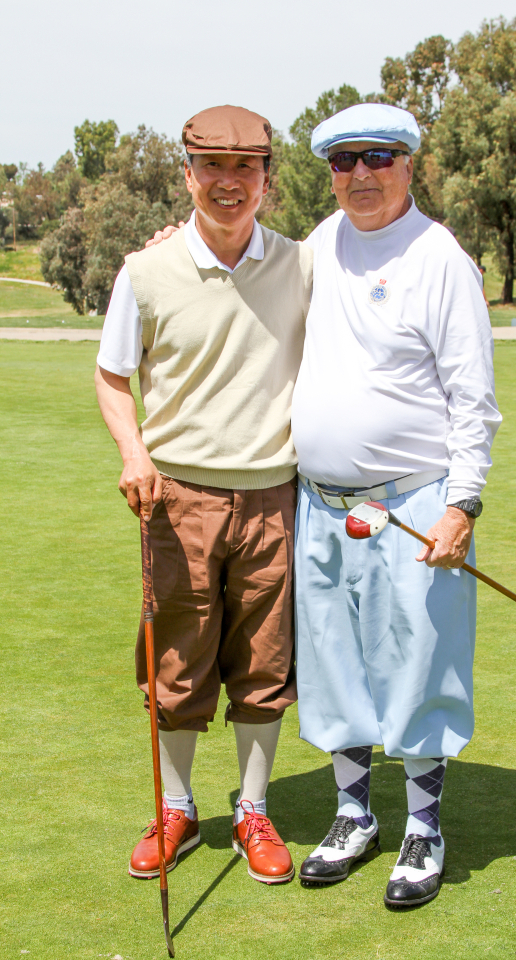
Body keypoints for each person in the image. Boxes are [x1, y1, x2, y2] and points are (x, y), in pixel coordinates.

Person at [290, 103, 502, 908]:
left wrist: (464, 504)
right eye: (344, 160)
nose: (360, 174)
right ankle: (354, 814)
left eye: (378, 156)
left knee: (419, 663)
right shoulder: (319, 243)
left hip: (413, 506)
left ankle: (422, 827)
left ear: (409, 163)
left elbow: (472, 400)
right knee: (334, 664)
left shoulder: (438, 256)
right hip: (321, 505)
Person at [95, 105, 313, 885]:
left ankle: (253, 810)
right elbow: (113, 375)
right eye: (211, 168)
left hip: (273, 497)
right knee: (179, 663)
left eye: (245, 168)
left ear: (265, 179)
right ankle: (178, 808)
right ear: (187, 175)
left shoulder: (301, 263)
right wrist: (133, 451)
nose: (229, 183)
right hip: (177, 498)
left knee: (264, 662)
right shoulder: (145, 271)